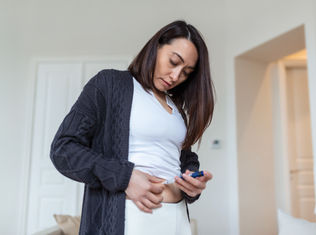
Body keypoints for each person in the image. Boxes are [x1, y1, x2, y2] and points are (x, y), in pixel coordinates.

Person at [50, 20, 214, 235]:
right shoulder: (109, 85)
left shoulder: (177, 110)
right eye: (174, 62)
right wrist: (124, 177)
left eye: (186, 72)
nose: (176, 76)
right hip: (129, 219)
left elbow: (184, 157)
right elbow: (63, 149)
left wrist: (191, 179)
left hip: (177, 221)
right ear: (155, 47)